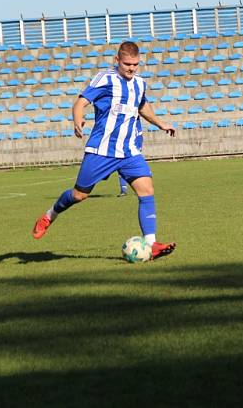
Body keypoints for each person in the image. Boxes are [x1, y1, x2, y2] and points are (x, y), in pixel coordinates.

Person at [31, 41, 177, 260]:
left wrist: (160, 123)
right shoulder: (105, 79)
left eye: (136, 64)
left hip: (129, 151)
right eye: (127, 64)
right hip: (102, 150)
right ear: (117, 60)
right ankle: (49, 215)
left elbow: (142, 106)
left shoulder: (139, 83)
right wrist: (78, 120)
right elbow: (80, 102)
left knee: (147, 190)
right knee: (79, 195)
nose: (132, 69)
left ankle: (151, 244)